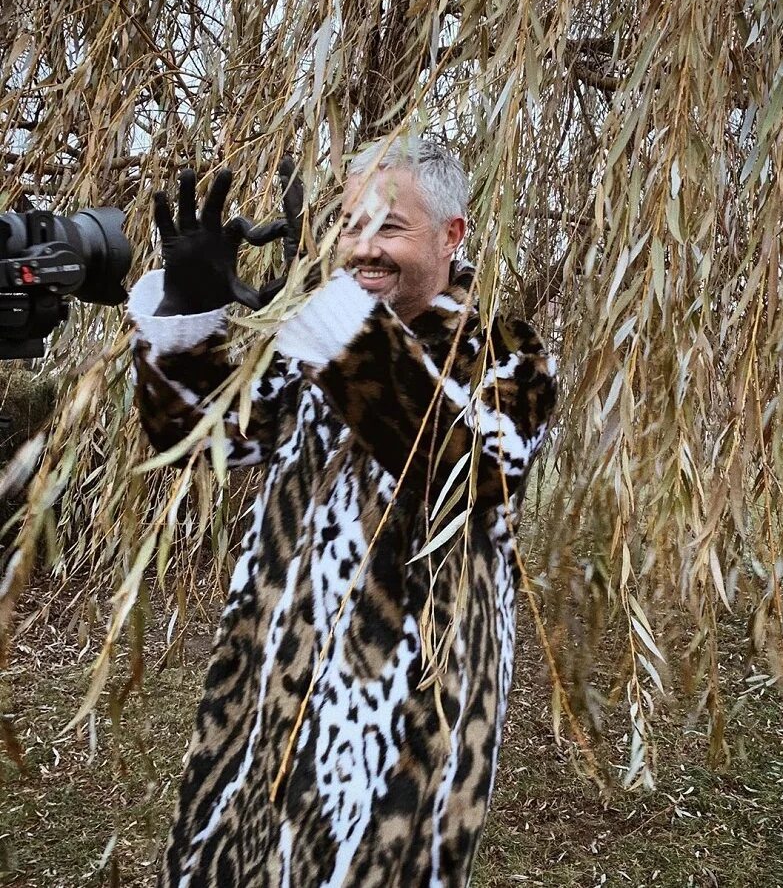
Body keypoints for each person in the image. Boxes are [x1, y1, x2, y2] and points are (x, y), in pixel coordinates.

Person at [127, 137, 557, 887]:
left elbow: (465, 466)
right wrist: (187, 318)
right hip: (265, 705)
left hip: (403, 738)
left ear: (451, 235)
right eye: (351, 223)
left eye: (389, 226)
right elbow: (197, 440)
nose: (363, 245)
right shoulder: (312, 350)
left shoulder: (510, 356)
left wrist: (337, 325)